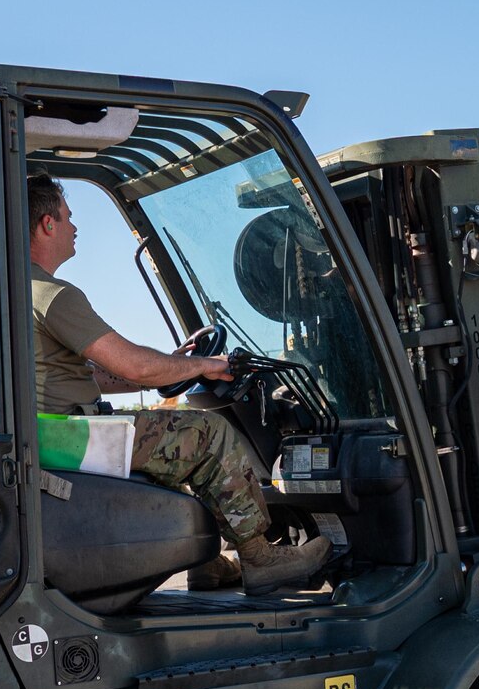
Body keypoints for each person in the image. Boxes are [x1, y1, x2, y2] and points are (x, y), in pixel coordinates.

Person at [28, 173, 329, 594]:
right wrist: (203, 365)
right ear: (47, 224)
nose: (75, 227)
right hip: (75, 436)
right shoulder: (52, 294)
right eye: (68, 217)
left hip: (56, 433)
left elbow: (92, 374)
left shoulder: (12, 292)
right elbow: (135, 366)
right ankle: (261, 557)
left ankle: (206, 563)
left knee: (170, 438)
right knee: (208, 434)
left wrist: (179, 366)